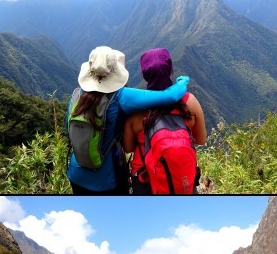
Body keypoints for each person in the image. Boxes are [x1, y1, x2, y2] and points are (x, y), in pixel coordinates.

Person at [66, 46, 190, 194]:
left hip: (76, 175)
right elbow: (169, 97)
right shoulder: (120, 97)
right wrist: (183, 81)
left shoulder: (76, 96)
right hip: (107, 181)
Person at [123, 48, 207, 194]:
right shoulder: (190, 102)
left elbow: (128, 148)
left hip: (145, 178)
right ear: (170, 69)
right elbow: (200, 139)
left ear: (144, 75)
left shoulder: (135, 111)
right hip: (182, 175)